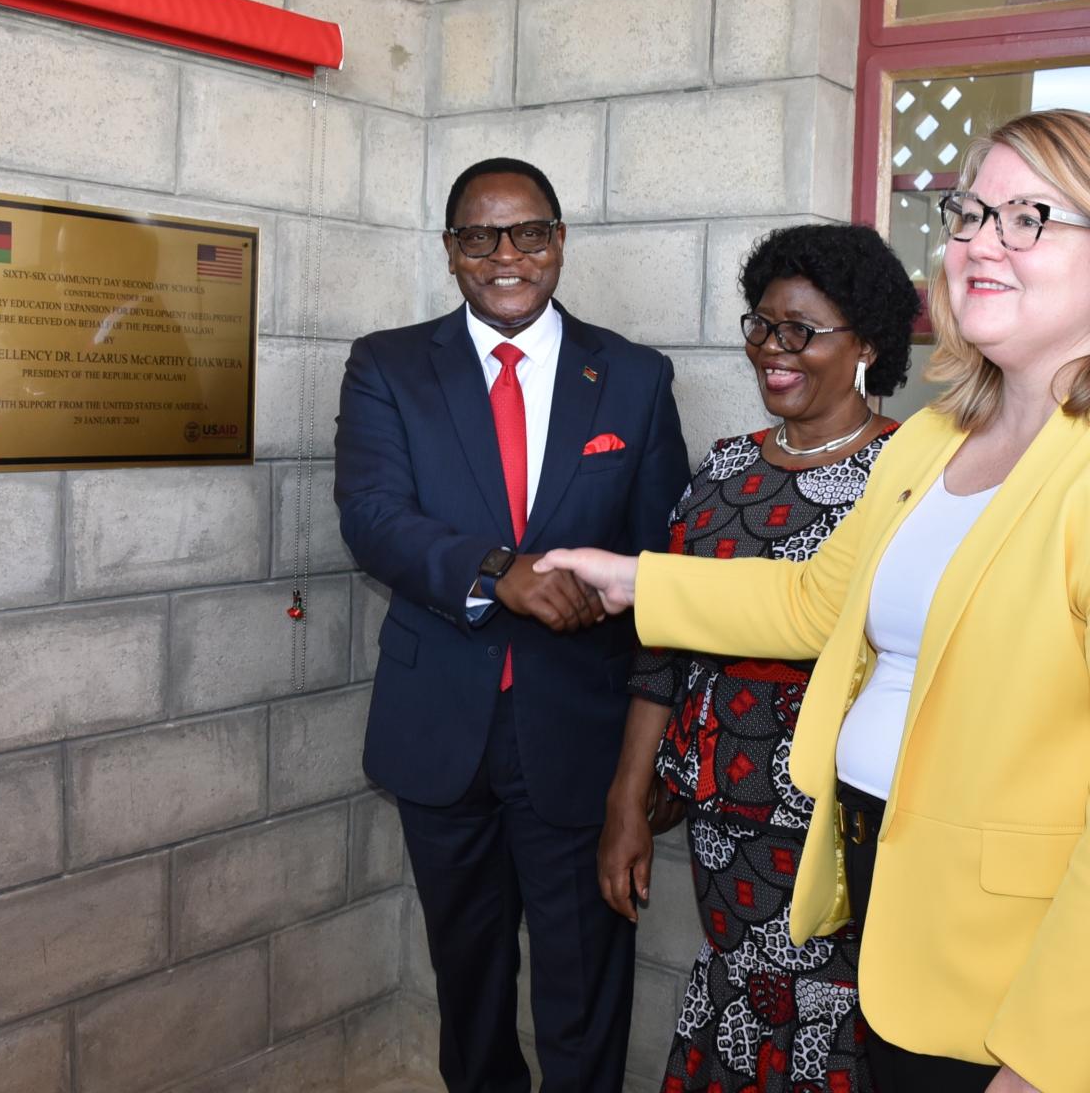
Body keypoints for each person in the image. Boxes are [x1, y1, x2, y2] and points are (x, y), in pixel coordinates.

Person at [536, 108, 1090, 1093]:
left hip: (1013, 945)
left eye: (1031, 216)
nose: (980, 243)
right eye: (969, 216)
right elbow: (811, 603)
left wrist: (1053, 1051)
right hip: (879, 877)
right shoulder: (933, 441)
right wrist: (632, 580)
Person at [334, 156, 690, 1093]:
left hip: (579, 737)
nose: (505, 255)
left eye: (528, 233)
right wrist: (502, 572)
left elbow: (665, 576)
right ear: (450, 252)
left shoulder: (636, 380)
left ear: (559, 242)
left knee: (584, 993)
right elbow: (372, 518)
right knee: (471, 985)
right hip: (439, 731)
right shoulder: (389, 365)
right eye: (478, 236)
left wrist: (645, 766)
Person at [600, 224, 919, 1093]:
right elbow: (662, 647)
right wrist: (628, 798)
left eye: (802, 331)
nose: (774, 352)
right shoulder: (724, 469)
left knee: (835, 1019)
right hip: (722, 818)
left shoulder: (910, 476)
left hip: (839, 827)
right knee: (741, 1004)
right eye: (762, 327)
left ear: (868, 345)